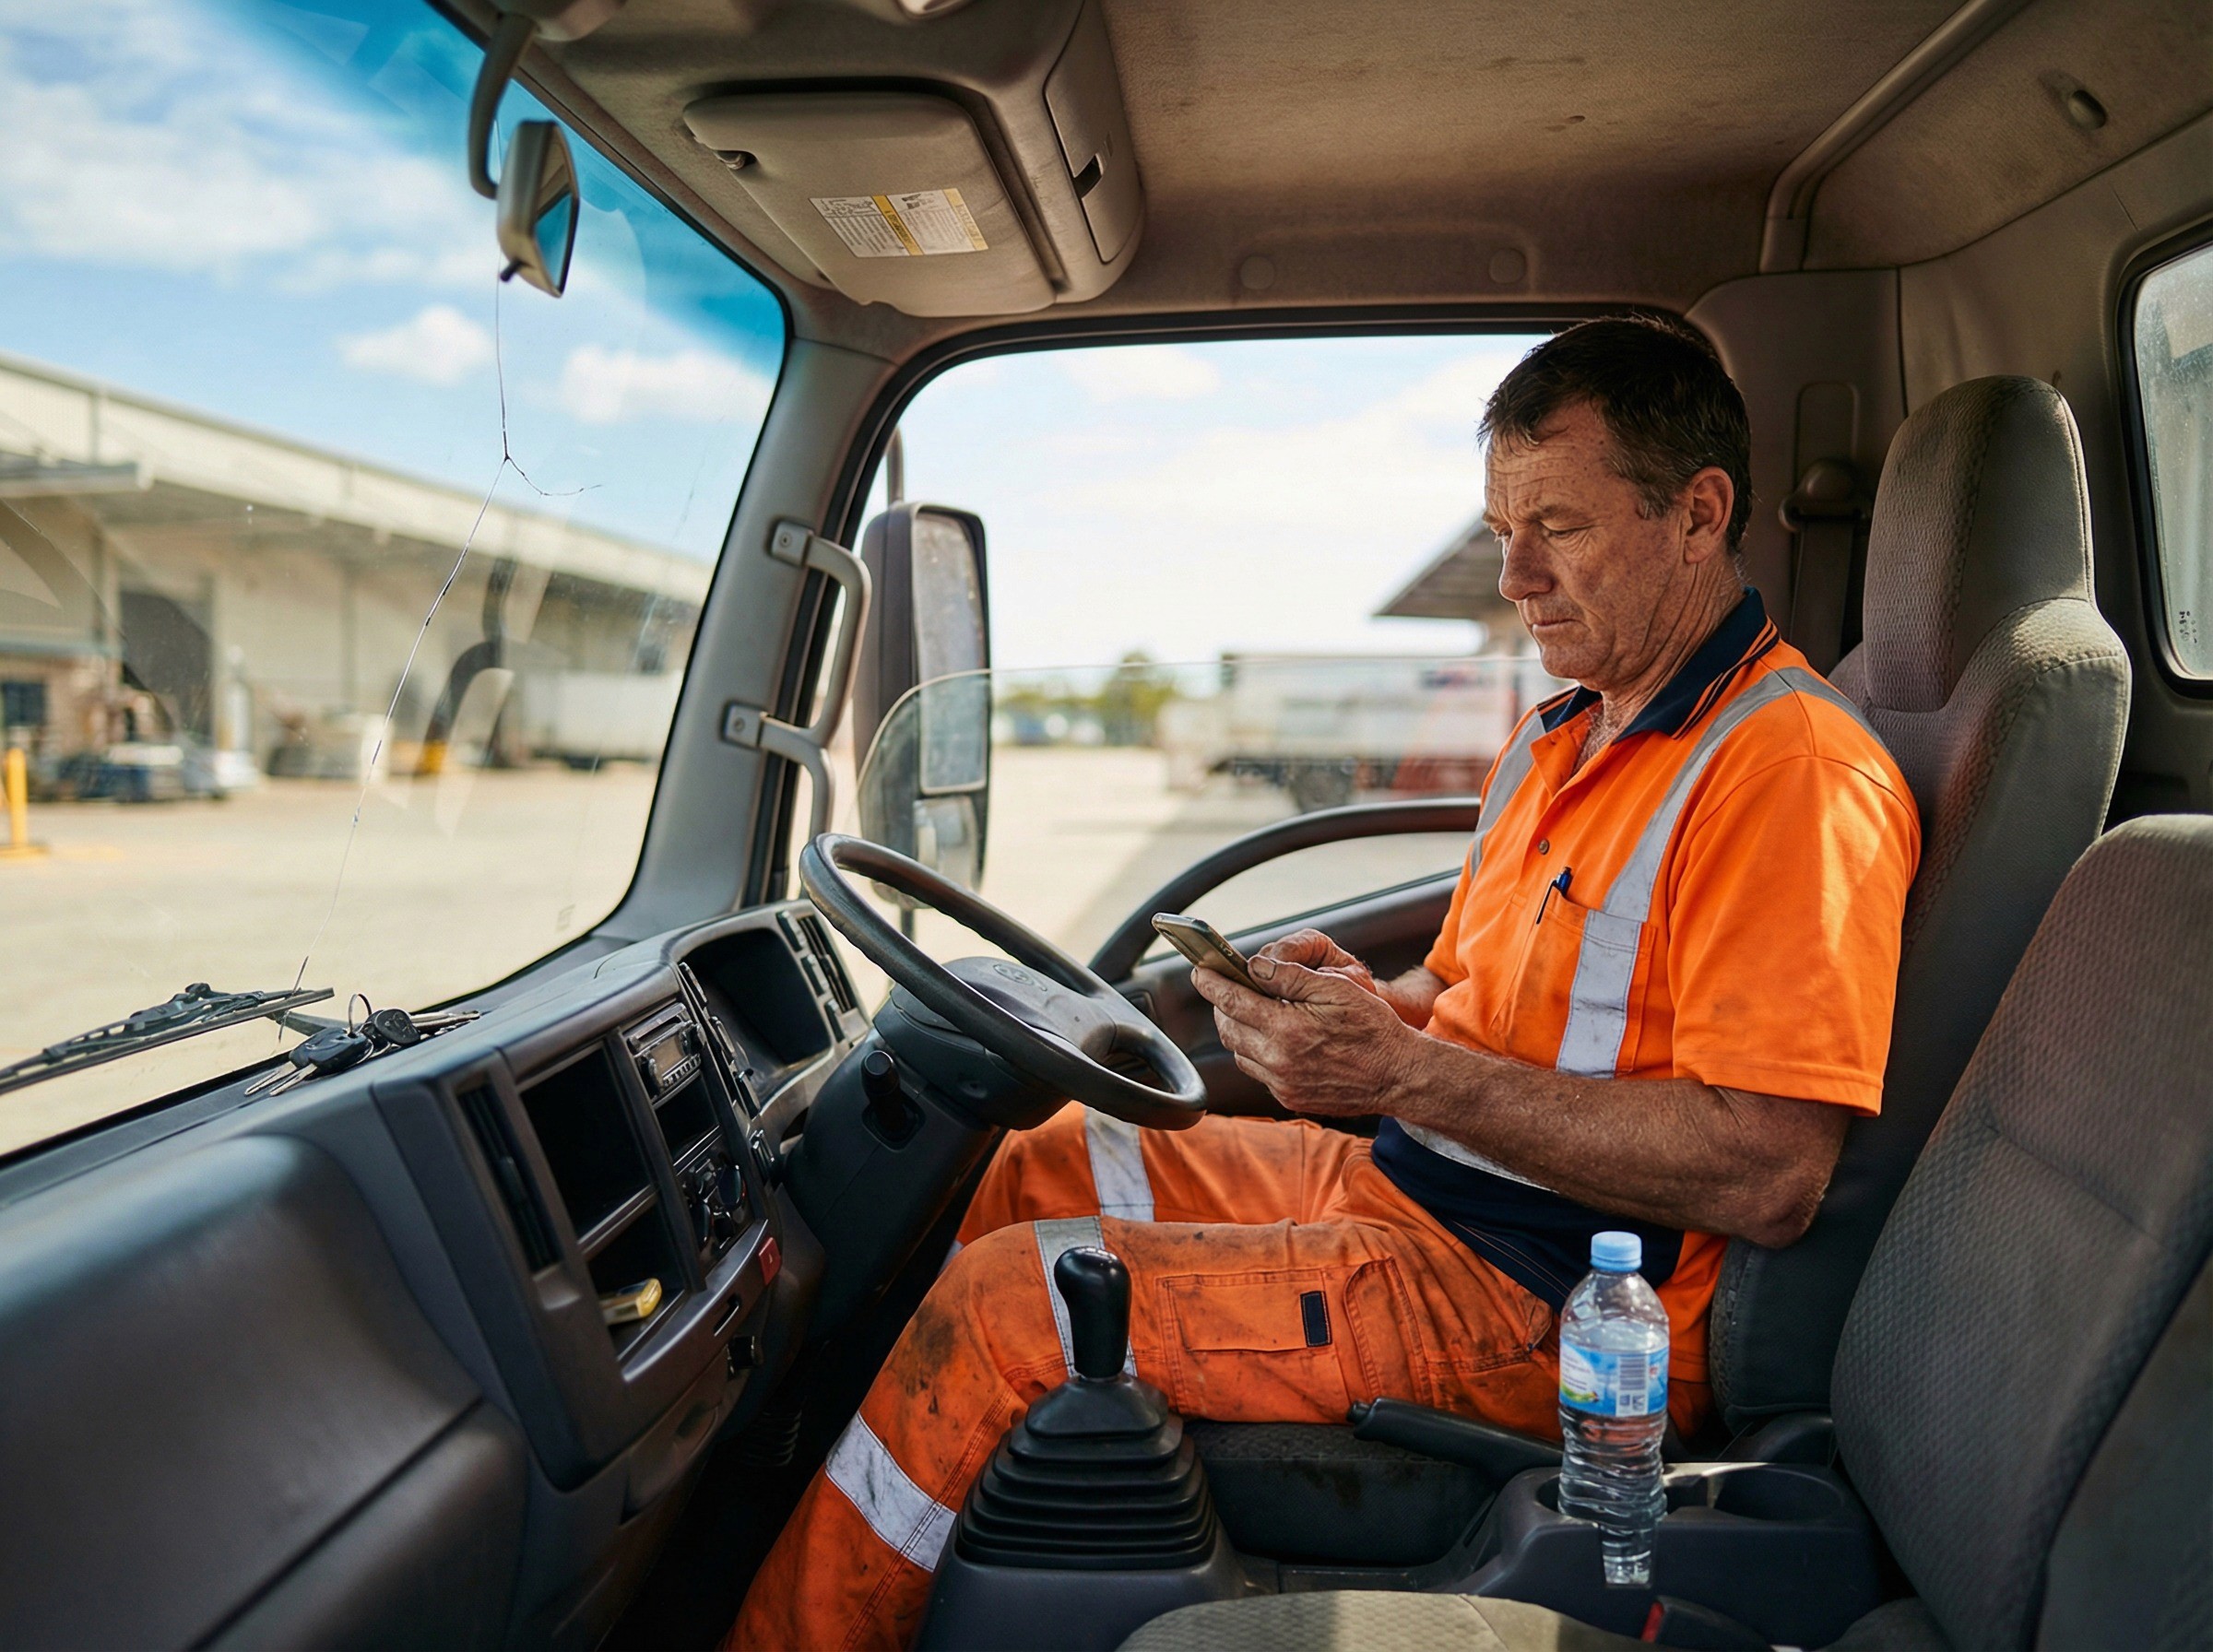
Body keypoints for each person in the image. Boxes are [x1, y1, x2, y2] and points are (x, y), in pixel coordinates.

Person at [729, 316, 1920, 1651]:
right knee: (1044, 1161)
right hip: (1399, 1186)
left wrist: (1405, 1073)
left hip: (1541, 1301)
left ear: (1700, 515)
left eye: (1559, 527)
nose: (1514, 572)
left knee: (1015, 1305)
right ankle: (923, 1533)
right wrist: (1364, 1011)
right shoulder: (1561, 736)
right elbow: (1473, 1001)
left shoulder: (1792, 776)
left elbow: (1769, 1167)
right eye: (1500, 523)